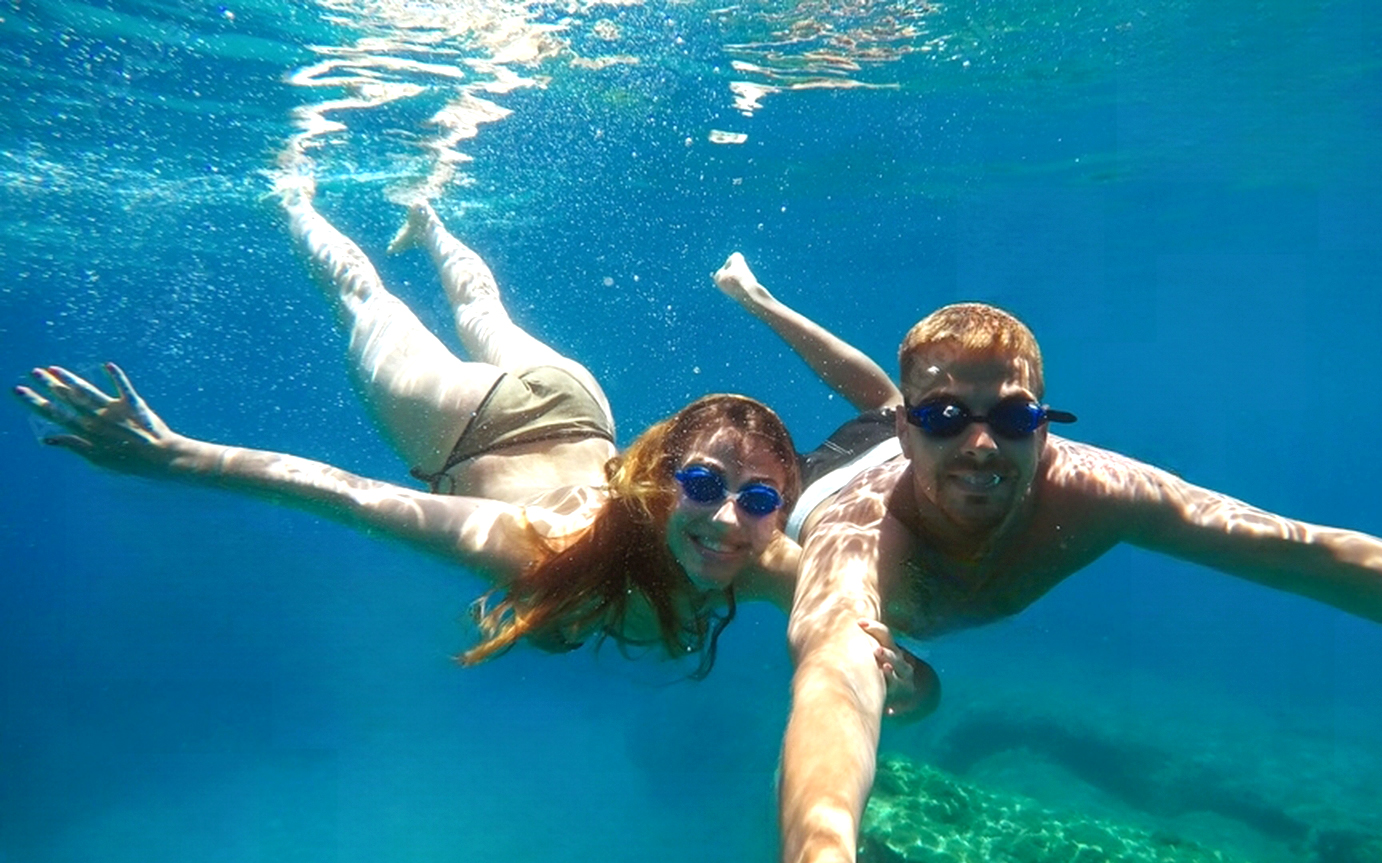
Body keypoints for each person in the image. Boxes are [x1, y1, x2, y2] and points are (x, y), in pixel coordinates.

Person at [715, 259, 1382, 863]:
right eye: (945, 418)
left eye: (1013, 417)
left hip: (894, 440)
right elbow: (833, 667)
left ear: (1043, 428)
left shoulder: (1095, 490)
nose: (982, 446)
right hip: (836, 478)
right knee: (831, 451)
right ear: (915, 436)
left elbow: (1306, 552)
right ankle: (770, 311)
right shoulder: (856, 536)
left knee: (881, 395)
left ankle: (763, 300)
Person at [14, 187, 913, 678]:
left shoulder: (759, 555)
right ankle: (293, 196)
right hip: (470, 431)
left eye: (757, 500)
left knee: (484, 309)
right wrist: (174, 455)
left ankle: (429, 219)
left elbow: (856, 628)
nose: (726, 520)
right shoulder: (533, 540)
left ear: (777, 508)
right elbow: (346, 494)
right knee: (364, 300)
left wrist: (890, 668)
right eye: (706, 486)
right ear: (660, 481)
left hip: (578, 406)